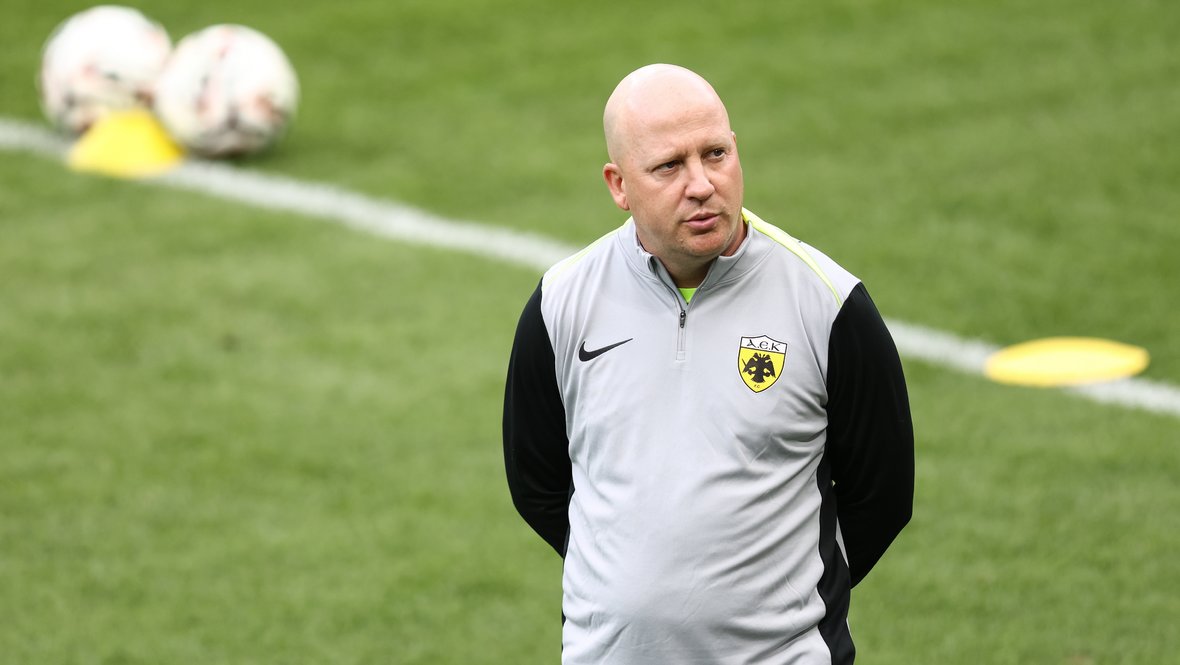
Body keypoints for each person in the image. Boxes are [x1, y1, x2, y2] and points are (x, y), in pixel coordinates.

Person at [502, 63, 914, 664]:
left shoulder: (828, 303)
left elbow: (883, 495)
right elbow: (536, 482)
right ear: (619, 185)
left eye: (715, 154)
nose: (701, 184)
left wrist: (772, 598)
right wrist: (626, 576)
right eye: (669, 166)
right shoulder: (562, 303)